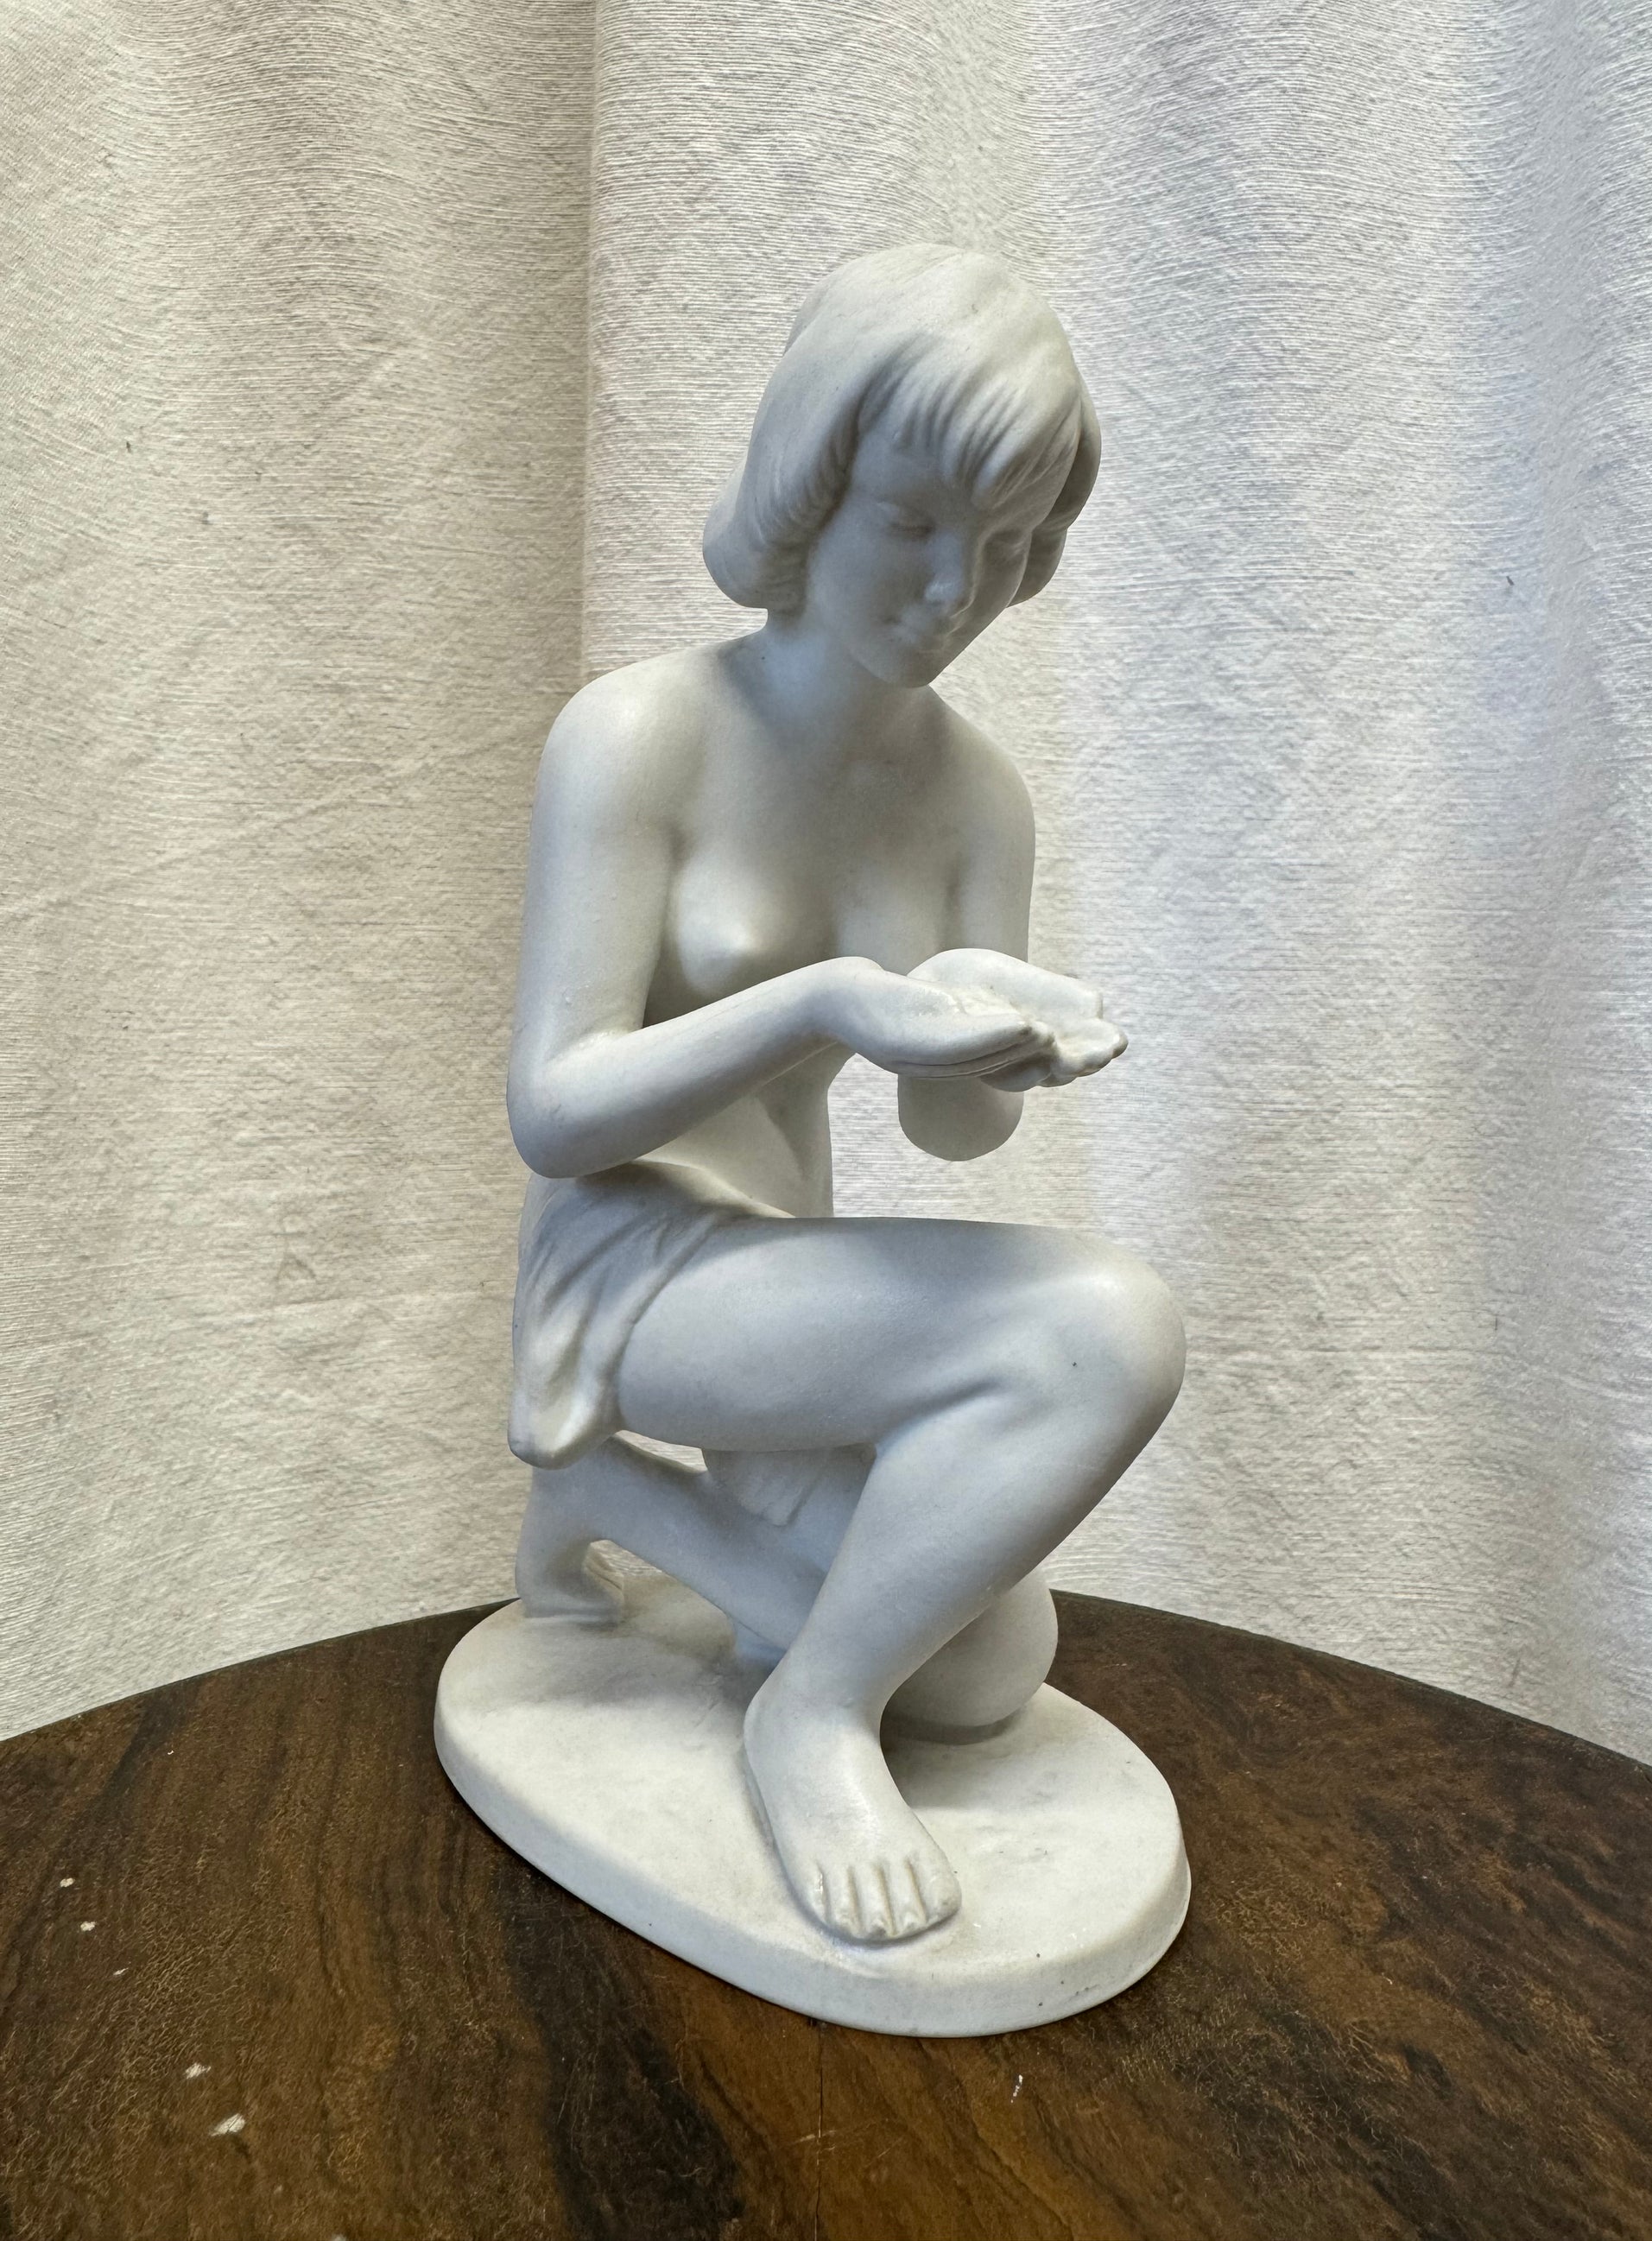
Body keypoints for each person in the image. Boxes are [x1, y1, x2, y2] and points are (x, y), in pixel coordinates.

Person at [504, 244, 1185, 1946]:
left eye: (1008, 544)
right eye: (913, 520)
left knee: (983, 1668)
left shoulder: (976, 799)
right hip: (634, 1270)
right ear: (812, 485)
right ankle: (806, 1720)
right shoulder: (640, 734)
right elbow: (556, 1108)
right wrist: (821, 1001)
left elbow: (957, 1136)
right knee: (1104, 1329)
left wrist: (993, 1042)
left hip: (786, 1304)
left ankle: (614, 1497)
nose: (957, 586)